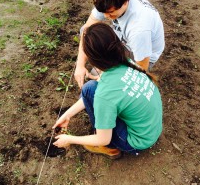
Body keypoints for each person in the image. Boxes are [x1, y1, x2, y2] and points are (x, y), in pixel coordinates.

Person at [53, 23, 163, 159]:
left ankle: (111, 149)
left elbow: (102, 138)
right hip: (151, 129)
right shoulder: (127, 62)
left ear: (93, 60)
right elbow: (96, 90)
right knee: (89, 88)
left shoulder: (105, 94)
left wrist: (70, 139)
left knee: (92, 92)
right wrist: (67, 115)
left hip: (137, 142)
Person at [75, 0, 164, 88]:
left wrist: (110, 77)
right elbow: (87, 30)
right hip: (124, 40)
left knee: (108, 84)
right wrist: (80, 65)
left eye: (111, 12)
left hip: (140, 54)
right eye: (103, 12)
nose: (106, 16)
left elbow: (141, 71)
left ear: (126, 2)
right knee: (88, 33)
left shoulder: (139, 28)